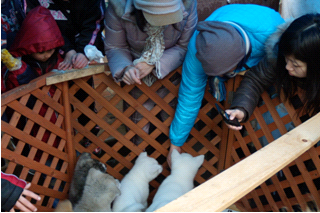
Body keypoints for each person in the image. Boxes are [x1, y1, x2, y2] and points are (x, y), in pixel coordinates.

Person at [168, 4, 285, 165]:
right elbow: (189, 95)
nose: (221, 75)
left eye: (225, 72)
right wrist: (176, 144)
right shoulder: (198, 48)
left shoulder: (272, 32)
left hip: (258, 34)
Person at [104, 0, 197, 144]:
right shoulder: (118, 6)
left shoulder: (188, 3)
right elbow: (116, 46)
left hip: (172, 74)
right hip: (137, 78)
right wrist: (126, 68)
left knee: (173, 128)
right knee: (138, 134)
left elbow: (185, 45)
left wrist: (154, 63)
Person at [225, 13, 320, 131]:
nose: (287, 67)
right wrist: (241, 109)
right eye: (286, 58)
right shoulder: (277, 53)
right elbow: (256, 80)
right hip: (281, 117)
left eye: (295, 65)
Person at [2, 6, 65, 161]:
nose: (45, 56)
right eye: (40, 52)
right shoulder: (17, 67)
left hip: (60, 119)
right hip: (30, 122)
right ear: (29, 48)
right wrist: (18, 70)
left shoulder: (58, 60)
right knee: (38, 155)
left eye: (50, 50)